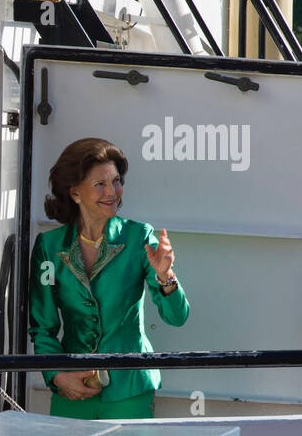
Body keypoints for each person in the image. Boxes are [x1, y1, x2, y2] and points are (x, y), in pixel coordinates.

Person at [29, 137, 189, 419]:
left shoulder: (139, 237)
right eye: (100, 184)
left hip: (129, 390)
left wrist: (166, 276)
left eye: (116, 181)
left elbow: (177, 317)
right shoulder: (49, 249)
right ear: (75, 192)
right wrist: (56, 375)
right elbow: (43, 327)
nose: (112, 192)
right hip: (72, 391)